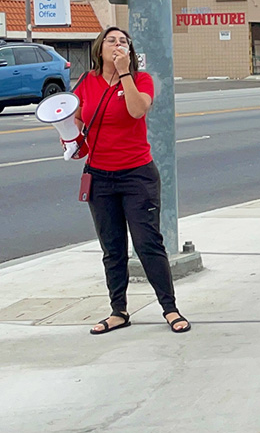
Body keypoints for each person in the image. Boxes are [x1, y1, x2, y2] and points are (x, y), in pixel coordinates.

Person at [76, 27, 189, 335]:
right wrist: (69, 139)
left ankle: (170, 308)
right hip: (99, 176)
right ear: (100, 49)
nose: (117, 45)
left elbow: (137, 111)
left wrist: (124, 73)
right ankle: (118, 310)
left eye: (123, 41)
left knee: (147, 243)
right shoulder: (87, 82)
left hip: (136, 174)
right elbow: (77, 116)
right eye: (111, 40)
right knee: (112, 248)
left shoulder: (141, 80)